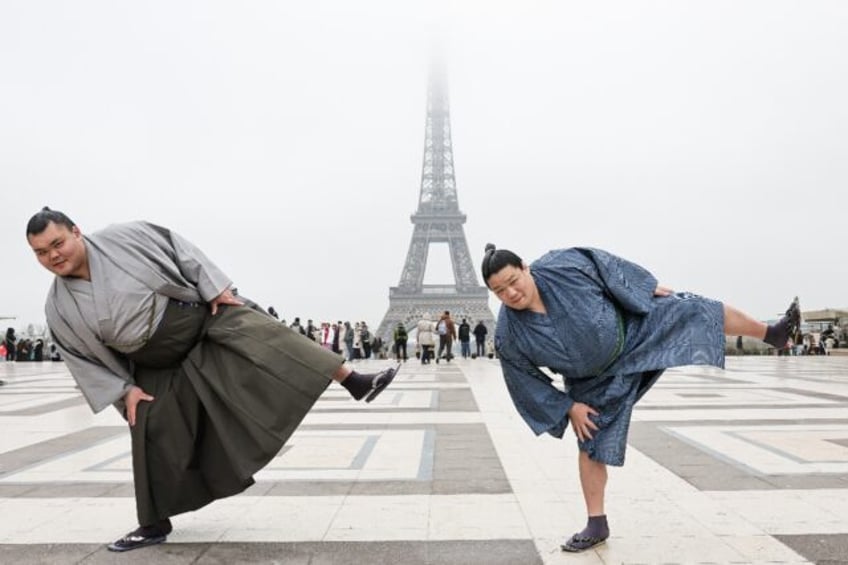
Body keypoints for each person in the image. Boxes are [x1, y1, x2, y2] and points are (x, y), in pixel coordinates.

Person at [25, 207, 400, 552]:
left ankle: (353, 381)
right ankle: (153, 524)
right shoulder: (57, 306)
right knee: (148, 428)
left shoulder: (126, 237)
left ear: (76, 231)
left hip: (201, 318)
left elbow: (180, 250)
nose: (53, 256)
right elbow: (82, 360)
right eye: (41, 253)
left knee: (260, 329)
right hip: (154, 362)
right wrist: (124, 391)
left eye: (57, 243)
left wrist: (215, 286)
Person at [480, 244, 801, 553]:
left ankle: (773, 333)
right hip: (592, 382)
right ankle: (596, 523)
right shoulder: (508, 333)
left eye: (512, 281)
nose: (510, 293)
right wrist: (568, 407)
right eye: (499, 291)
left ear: (525, 267)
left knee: (696, 308)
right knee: (591, 444)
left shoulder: (561, 264)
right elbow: (522, 380)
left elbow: (601, 263)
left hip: (634, 331)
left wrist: (641, 286)